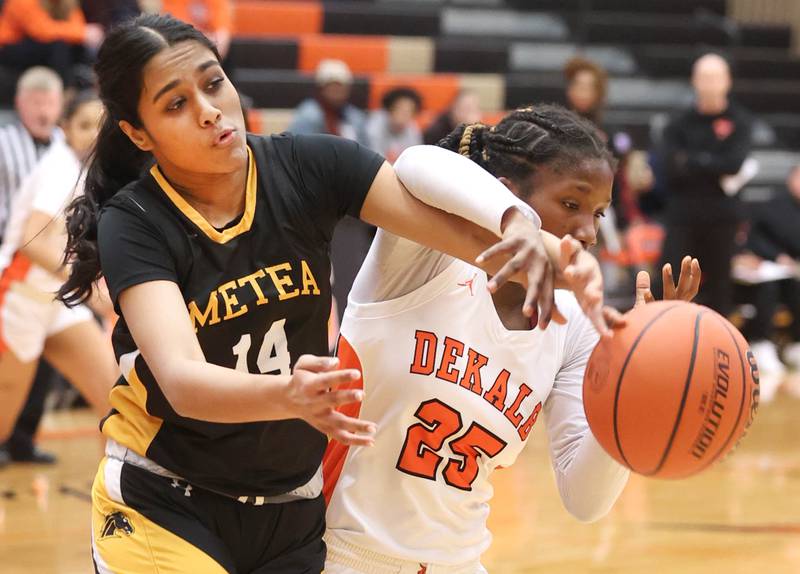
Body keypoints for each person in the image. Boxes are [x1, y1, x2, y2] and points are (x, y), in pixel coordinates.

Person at [63, 15, 607, 573]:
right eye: (175, 105)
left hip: (290, 512)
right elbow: (182, 382)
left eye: (212, 82)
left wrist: (558, 256)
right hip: (166, 498)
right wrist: (287, 397)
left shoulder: (308, 165)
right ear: (138, 132)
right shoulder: (135, 221)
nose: (208, 109)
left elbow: (467, 239)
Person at [323, 105, 701, 573]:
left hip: (459, 562)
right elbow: (415, 164)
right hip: (343, 555)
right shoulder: (429, 254)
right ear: (507, 195)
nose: (589, 232)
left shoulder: (575, 324)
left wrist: (632, 379)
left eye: (599, 213)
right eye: (571, 204)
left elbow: (585, 500)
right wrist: (514, 222)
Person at [0, 90, 116, 445]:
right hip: (20, 297)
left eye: (99, 125)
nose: (93, 134)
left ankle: (113, 498)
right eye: (83, 125)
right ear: (64, 128)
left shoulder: (89, 171)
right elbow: (32, 240)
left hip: (56, 301)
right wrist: (87, 289)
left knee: (115, 402)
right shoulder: (60, 166)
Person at [0, 66, 66, 467]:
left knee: (40, 364)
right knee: (13, 363)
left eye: (50, 101)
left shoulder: (64, 144)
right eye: (36, 102)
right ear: (20, 104)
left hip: (50, 269)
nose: (44, 110)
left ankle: (22, 440)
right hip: (15, 264)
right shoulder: (4, 142)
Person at [657, 52, 753, 315]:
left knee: (721, 287)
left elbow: (734, 163)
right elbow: (669, 167)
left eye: (715, 77)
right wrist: (712, 163)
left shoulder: (740, 121)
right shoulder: (678, 122)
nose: (709, 83)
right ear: (694, 81)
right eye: (704, 77)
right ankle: (664, 342)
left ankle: (716, 349)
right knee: (670, 280)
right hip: (683, 215)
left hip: (723, 218)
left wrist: (691, 161)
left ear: (727, 81)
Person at [741, 165, 800, 397]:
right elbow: (755, 240)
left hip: (792, 272)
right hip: (764, 268)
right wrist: (777, 257)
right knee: (769, 286)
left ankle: (795, 343)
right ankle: (761, 341)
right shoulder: (772, 205)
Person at [0, 0, 104, 88]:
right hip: (11, 46)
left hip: (41, 46)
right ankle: (64, 91)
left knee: (76, 46)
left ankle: (89, 82)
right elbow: (41, 30)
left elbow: (76, 26)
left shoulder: (67, 3)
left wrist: (82, 34)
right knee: (58, 46)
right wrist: (83, 32)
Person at [288, 59, 368, 145]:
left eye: (341, 87)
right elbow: (297, 149)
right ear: (321, 89)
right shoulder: (308, 115)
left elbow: (366, 150)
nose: (337, 92)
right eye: (332, 87)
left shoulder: (355, 117)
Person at [366, 87, 422, 164]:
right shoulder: (375, 125)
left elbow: (415, 158)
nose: (404, 114)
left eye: (409, 111)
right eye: (400, 109)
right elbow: (373, 157)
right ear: (390, 108)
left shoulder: (412, 128)